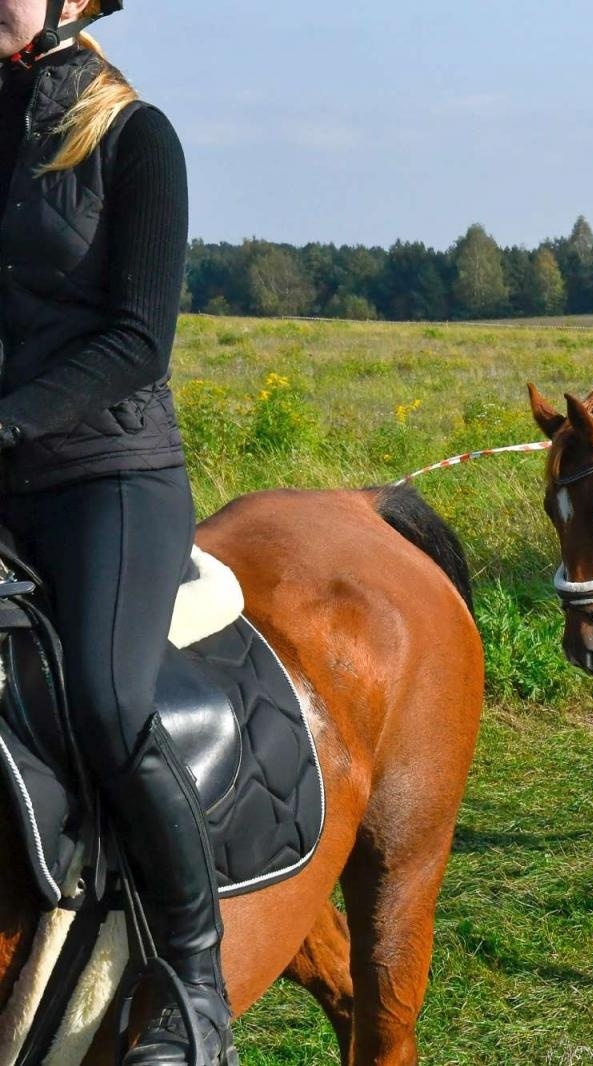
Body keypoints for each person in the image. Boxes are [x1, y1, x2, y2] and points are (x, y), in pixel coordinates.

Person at [0, 2, 234, 1063]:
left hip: (108, 473)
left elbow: (138, 340)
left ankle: (194, 978)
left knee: (104, 700)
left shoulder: (136, 136)